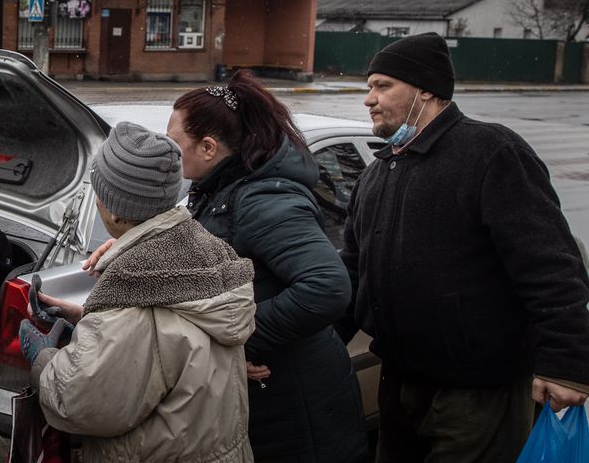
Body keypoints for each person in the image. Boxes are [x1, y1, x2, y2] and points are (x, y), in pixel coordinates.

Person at [341, 32, 589, 462]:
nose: (369, 98)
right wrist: (312, 343)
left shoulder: (490, 152)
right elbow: (352, 272)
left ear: (425, 90)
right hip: (400, 383)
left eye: (382, 86)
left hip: (478, 391)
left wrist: (565, 363)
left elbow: (550, 267)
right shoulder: (378, 174)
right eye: (369, 87)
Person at [159, 72, 369, 462]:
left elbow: (326, 286)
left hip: (296, 406)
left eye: (175, 143)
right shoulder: (216, 191)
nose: (171, 153)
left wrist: (240, 339)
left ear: (208, 147)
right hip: (271, 398)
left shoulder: (263, 198)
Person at [20, 121, 257, 463]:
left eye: (98, 190)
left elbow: (78, 404)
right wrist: (86, 318)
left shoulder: (132, 297)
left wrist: (43, 359)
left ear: (115, 208)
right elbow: (161, 343)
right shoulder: (200, 255)